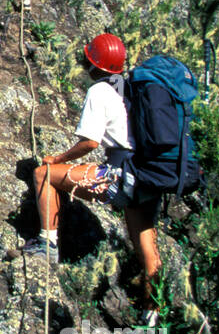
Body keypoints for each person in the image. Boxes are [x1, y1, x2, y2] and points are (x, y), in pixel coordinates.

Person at [21, 33, 162, 317]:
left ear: (93, 64)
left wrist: (57, 159)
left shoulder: (100, 91)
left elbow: (90, 143)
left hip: (119, 175)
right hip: (147, 175)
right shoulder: (132, 90)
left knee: (43, 175)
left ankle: (47, 243)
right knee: (147, 247)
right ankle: (152, 314)